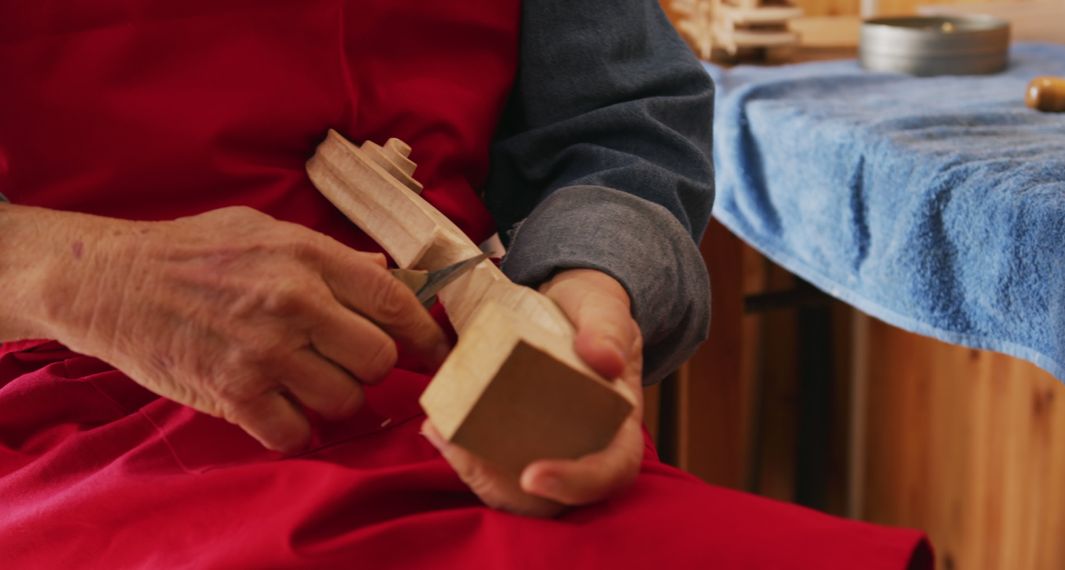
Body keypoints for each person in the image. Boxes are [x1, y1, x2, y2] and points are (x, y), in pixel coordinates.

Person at [0, 0, 931, 567]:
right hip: (58, 414)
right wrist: (93, 279)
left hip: (457, 387)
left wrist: (590, 289)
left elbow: (620, 128)